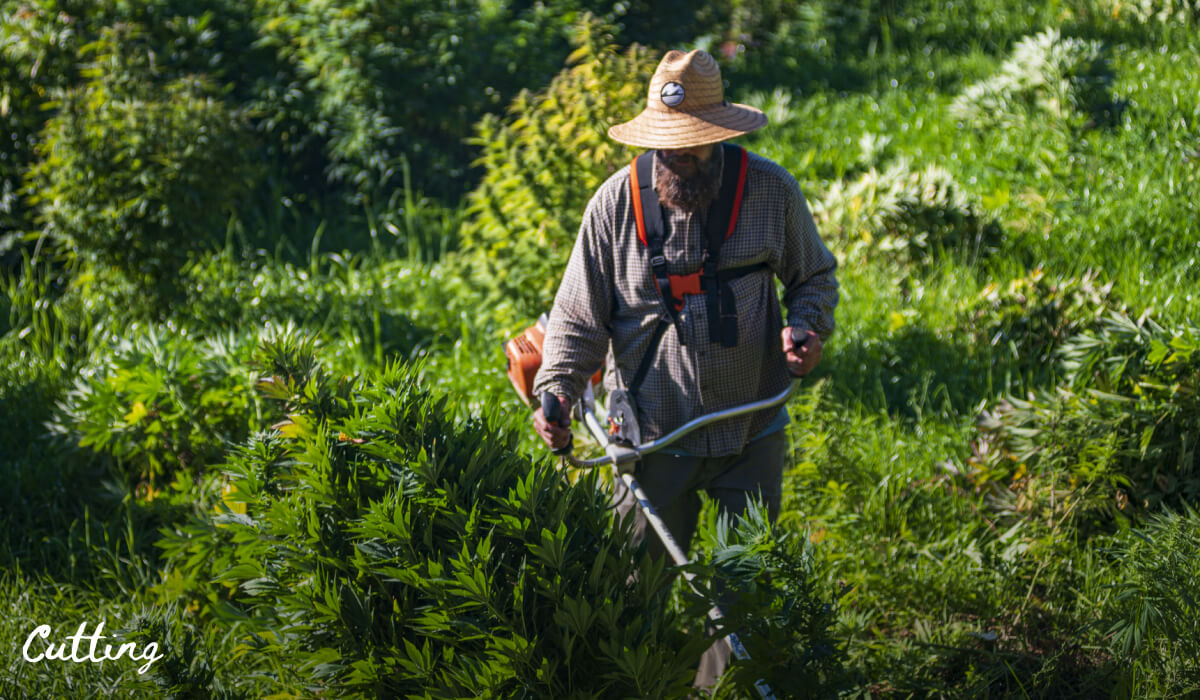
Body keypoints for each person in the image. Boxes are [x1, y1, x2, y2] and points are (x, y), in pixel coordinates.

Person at [531, 48, 839, 689]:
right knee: (629, 589)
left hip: (748, 429)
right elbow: (575, 320)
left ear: (722, 135)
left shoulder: (771, 191)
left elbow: (813, 277)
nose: (679, 156)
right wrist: (555, 395)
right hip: (649, 435)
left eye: (693, 145)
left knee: (743, 597)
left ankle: (719, 689)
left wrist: (806, 330)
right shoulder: (615, 207)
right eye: (668, 144)